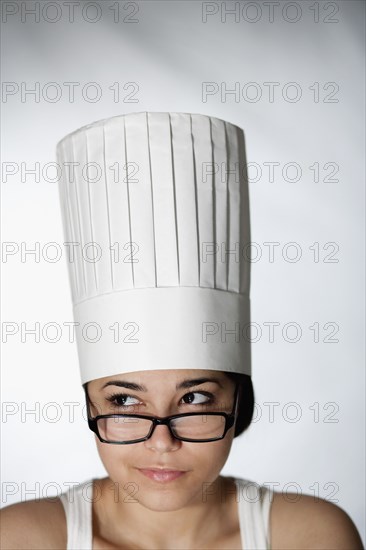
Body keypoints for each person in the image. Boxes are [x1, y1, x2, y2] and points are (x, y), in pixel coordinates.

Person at [1, 112, 363, 550]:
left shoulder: (310, 535)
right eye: (125, 401)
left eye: (194, 398)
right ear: (90, 406)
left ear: (238, 402)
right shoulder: (22, 538)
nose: (162, 442)